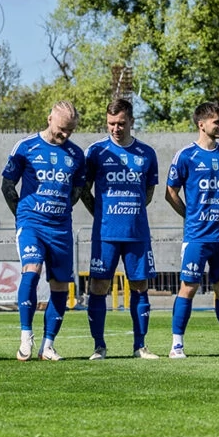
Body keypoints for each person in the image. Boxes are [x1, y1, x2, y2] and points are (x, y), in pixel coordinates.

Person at [1, 101, 85, 361]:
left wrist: (59, 209)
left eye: (70, 130)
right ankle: (26, 337)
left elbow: (76, 191)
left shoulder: (76, 154)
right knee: (32, 269)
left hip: (61, 228)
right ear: (50, 119)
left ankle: (47, 346)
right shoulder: (25, 147)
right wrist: (22, 216)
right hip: (32, 224)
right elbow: (7, 185)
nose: (65, 134)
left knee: (60, 284)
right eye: (62, 128)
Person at [165, 101, 219, 358]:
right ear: (201, 124)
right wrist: (190, 215)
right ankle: (176, 345)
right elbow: (170, 192)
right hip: (197, 236)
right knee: (188, 287)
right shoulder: (186, 155)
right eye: (217, 122)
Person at [80, 99, 160, 360]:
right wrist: (100, 213)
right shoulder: (95, 152)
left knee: (139, 285)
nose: (116, 128)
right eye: (111, 123)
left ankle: (140, 346)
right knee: (99, 285)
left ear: (131, 122)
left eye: (121, 123)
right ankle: (99, 347)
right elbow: (83, 190)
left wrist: (131, 210)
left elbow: (148, 192)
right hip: (105, 233)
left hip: (137, 232)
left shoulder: (146, 153)